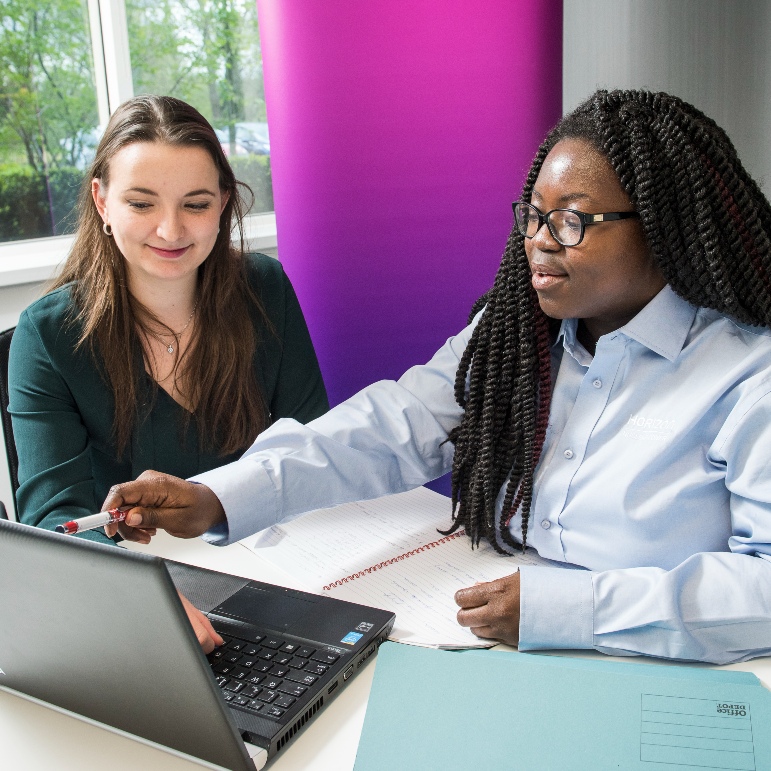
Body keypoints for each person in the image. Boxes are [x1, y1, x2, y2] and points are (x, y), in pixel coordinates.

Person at [103, 90, 771, 664]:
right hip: (489, 646)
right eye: (533, 216)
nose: (537, 240)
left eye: (571, 221)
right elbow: (389, 426)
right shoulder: (514, 336)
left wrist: (567, 608)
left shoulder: (747, 373)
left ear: (662, 226)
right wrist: (216, 496)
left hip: (676, 670)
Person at [8, 95, 329, 550]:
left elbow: (311, 447)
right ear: (102, 202)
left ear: (223, 202)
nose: (171, 231)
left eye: (195, 205)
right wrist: (147, 595)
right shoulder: (48, 335)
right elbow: (53, 522)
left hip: (270, 554)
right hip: (132, 577)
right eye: (142, 204)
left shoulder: (264, 288)